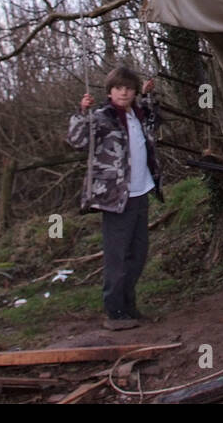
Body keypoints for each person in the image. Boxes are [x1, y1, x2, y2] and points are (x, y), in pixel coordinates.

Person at [67, 65, 164, 331]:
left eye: (129, 89)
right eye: (119, 88)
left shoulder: (139, 114)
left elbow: (156, 122)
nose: (124, 93)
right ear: (110, 91)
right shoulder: (101, 117)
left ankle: (129, 307)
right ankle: (115, 312)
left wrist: (148, 96)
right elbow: (76, 141)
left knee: (138, 254)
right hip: (115, 196)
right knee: (117, 257)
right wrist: (81, 113)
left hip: (141, 190)